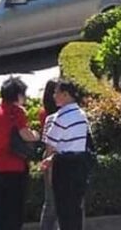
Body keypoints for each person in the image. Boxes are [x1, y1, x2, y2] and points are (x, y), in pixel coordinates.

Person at [0, 77, 38, 230]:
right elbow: (25, 134)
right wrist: (36, 135)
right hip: (15, 166)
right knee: (14, 211)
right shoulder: (17, 112)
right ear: (17, 95)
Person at [42, 79, 90, 230]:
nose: (54, 96)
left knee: (63, 210)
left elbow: (50, 147)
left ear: (66, 94)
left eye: (56, 93)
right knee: (76, 208)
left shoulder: (60, 118)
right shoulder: (82, 115)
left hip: (63, 166)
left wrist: (49, 171)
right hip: (80, 165)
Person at [38, 80, 59, 230]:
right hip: (52, 156)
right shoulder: (51, 117)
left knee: (51, 202)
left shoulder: (44, 113)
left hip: (50, 155)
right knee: (51, 202)